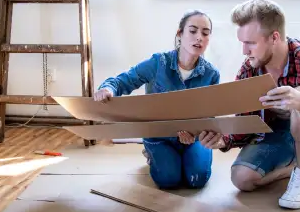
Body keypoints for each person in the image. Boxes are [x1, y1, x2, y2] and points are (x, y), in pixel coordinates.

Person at [198, 0, 300, 209]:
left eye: (251, 43)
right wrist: (223, 141)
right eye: (243, 43)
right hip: (281, 135)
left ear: (274, 37)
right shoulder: (250, 69)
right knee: (242, 179)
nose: (245, 51)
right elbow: (246, 123)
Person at [93, 10, 220, 190]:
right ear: (180, 34)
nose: (199, 37)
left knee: (196, 179)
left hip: (194, 138)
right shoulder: (158, 63)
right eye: (192, 31)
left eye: (205, 33)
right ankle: (154, 154)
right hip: (160, 137)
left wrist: (197, 134)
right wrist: (107, 88)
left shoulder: (211, 74)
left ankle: (185, 158)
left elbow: (211, 116)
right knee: (169, 180)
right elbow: (124, 80)